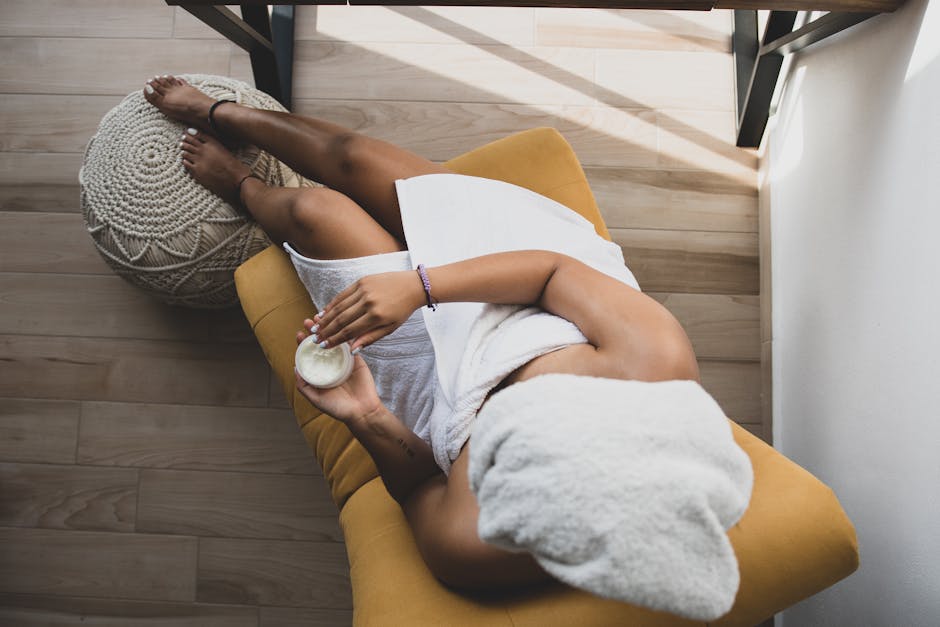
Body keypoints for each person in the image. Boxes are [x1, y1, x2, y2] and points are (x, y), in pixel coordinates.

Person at [144, 75, 701, 591]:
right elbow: (552, 273)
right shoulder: (655, 364)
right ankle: (223, 113)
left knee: (318, 211)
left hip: (444, 390)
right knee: (354, 159)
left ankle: (243, 187)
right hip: (535, 300)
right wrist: (420, 286)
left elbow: (418, 490)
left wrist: (364, 414)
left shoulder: (475, 545)